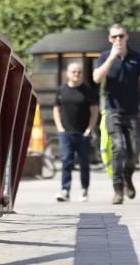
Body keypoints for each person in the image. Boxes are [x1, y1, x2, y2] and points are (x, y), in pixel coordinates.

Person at [93, 23, 140, 205]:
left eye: (121, 36)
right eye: (114, 37)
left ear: (127, 36)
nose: (118, 39)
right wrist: (112, 57)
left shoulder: (136, 57)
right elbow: (96, 78)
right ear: (110, 39)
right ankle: (117, 189)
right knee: (118, 148)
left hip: (133, 111)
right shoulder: (104, 56)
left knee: (134, 151)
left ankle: (127, 177)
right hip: (112, 111)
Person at [53, 62, 99, 202]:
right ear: (67, 73)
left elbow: (94, 111)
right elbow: (56, 109)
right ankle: (65, 190)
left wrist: (89, 129)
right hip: (66, 133)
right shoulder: (61, 90)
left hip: (83, 133)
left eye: (79, 72)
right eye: (73, 71)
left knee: (84, 163)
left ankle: (84, 190)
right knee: (66, 161)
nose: (76, 74)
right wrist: (59, 128)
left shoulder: (87, 90)